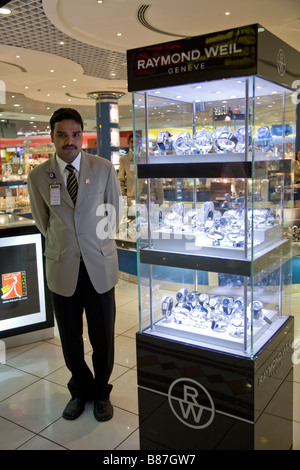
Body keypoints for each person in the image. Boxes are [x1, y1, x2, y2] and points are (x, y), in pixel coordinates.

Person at [27, 108, 121, 422]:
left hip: (98, 268)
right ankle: (80, 390)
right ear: (52, 136)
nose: (70, 141)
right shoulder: (39, 175)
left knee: (103, 337)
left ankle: (101, 391)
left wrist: (94, 245)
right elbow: (44, 222)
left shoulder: (103, 167)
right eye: (62, 134)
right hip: (63, 267)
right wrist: (68, 243)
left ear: (82, 134)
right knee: (70, 339)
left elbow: (112, 215)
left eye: (75, 134)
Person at [118, 133, 138, 205]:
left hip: (146, 197)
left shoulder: (146, 158)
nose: (134, 144)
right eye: (132, 142)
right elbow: (121, 180)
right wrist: (123, 197)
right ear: (129, 143)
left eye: (136, 141)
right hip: (131, 198)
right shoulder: (124, 159)